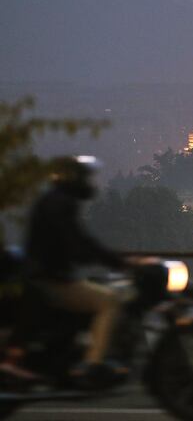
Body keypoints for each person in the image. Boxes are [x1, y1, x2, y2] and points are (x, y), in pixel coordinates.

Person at [24, 155, 129, 380]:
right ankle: (92, 364)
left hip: (45, 277)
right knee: (110, 301)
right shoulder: (62, 204)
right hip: (55, 280)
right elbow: (79, 243)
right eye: (85, 177)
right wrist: (118, 262)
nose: (88, 183)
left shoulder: (50, 201)